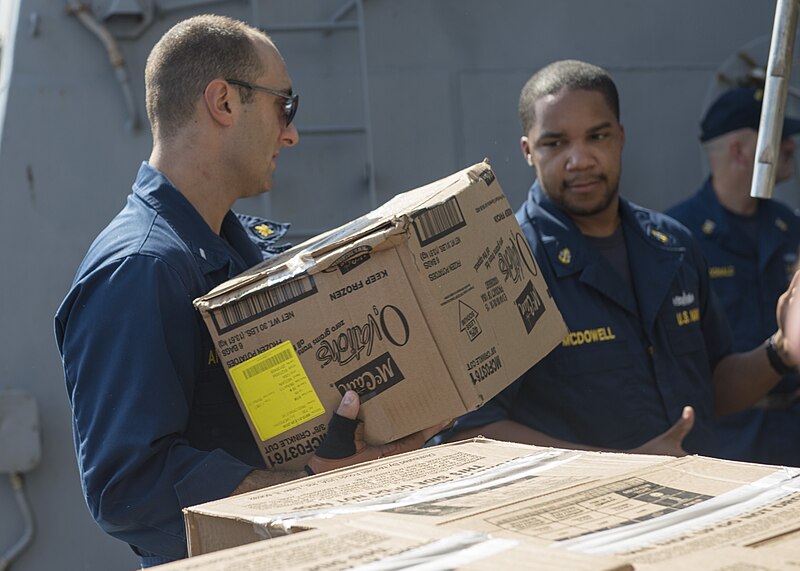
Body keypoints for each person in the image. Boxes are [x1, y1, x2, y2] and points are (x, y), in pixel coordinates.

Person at [54, 15, 445, 567]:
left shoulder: (231, 253)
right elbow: (127, 487)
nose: (291, 133)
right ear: (224, 103)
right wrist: (306, 488)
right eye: (285, 106)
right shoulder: (141, 269)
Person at [449, 60, 799, 458]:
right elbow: (473, 432)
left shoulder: (673, 247)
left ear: (620, 136)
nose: (579, 159)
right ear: (528, 151)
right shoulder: (505, 269)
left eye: (596, 136)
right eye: (556, 143)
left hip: (697, 505)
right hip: (592, 517)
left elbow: (712, 386)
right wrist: (623, 468)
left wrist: (781, 350)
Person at [666, 87, 800, 466]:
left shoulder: (790, 227)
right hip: (726, 442)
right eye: (778, 137)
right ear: (741, 152)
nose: (790, 145)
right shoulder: (677, 237)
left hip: (791, 436)